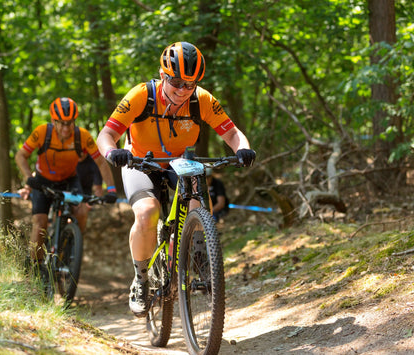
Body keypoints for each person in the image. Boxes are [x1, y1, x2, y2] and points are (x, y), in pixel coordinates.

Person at [96, 41, 256, 317]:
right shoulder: (140, 96)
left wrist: (242, 148)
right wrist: (113, 152)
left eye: (190, 84)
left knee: (197, 204)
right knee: (147, 212)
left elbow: (232, 133)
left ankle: (198, 251)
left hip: (179, 163)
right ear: (163, 75)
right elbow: (105, 135)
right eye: (177, 82)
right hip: (139, 162)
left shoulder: (201, 100)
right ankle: (141, 280)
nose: (183, 90)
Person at [15, 97, 117, 271]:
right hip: (42, 181)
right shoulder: (42, 132)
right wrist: (28, 177)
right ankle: (35, 268)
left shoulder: (82, 136)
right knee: (39, 222)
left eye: (69, 123)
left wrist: (112, 189)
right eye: (61, 123)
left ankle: (71, 244)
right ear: (53, 121)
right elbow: (20, 156)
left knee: (82, 210)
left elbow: (100, 162)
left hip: (69, 180)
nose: (65, 128)